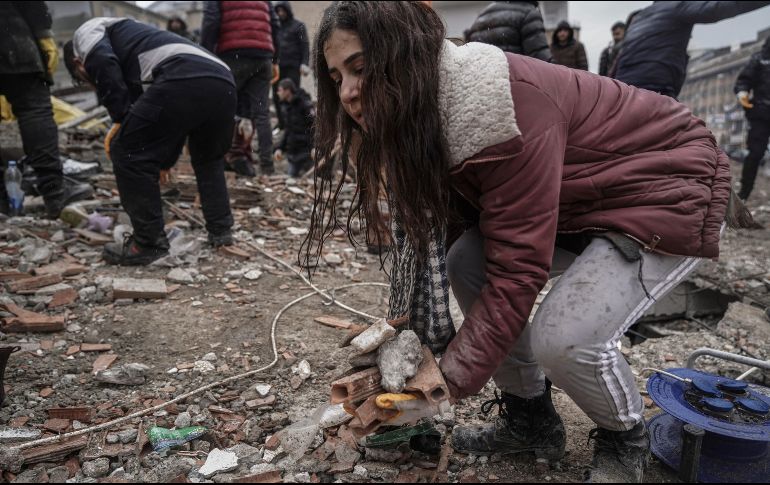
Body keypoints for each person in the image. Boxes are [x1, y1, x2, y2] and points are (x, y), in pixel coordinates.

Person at [305, 2, 752, 482]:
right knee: (465, 262)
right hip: (579, 199)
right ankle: (531, 419)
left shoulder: (498, 109)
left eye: (361, 68)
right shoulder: (425, 111)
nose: (349, 93)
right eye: (336, 78)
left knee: (564, 338)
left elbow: (518, 271)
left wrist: (445, 382)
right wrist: (427, 346)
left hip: (666, 189)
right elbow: (470, 227)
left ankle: (626, 438)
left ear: (405, 56)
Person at [64, 18, 237, 265]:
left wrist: (121, 122)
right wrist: (163, 160)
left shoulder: (86, 33)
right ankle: (221, 231)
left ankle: (147, 244)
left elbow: (103, 64)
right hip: (222, 78)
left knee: (125, 150)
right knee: (208, 159)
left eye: (86, 79)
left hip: (184, 73)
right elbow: (164, 121)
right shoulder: (133, 44)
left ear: (78, 64)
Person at [0, 1, 92, 218]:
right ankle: (55, 194)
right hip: (9, 34)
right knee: (33, 108)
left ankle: (1, 203)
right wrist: (43, 34)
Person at [614, 1, 769, 98]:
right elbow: (720, 6)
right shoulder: (677, 7)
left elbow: (620, 59)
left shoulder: (641, 16)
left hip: (621, 90)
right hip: (653, 90)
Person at [201, 1, 281, 177]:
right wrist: (275, 58)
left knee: (223, 107)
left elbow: (211, 20)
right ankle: (267, 167)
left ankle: (220, 160)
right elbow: (275, 24)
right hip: (262, 57)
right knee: (262, 113)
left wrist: (205, 53)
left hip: (233, 54)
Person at [735, 37, 770, 202]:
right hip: (761, 113)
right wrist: (742, 92)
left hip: (761, 112)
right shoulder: (760, 58)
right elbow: (744, 79)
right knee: (755, 153)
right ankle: (744, 192)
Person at [464, 1, 551, 62]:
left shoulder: (482, 15)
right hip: (514, 82)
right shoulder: (529, 12)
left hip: (484, 82)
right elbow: (541, 58)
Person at [273, 1, 311, 132]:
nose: (280, 13)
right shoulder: (276, 26)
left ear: (288, 10)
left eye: (282, 10)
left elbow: (305, 46)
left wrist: (305, 63)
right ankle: (282, 123)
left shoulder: (298, 26)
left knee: (292, 96)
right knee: (277, 95)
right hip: (277, 68)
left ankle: (293, 124)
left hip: (293, 68)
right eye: (278, 11)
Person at [274, 78, 314, 177]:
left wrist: (314, 147)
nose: (278, 93)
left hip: (306, 153)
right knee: (291, 180)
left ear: (287, 91)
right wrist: (280, 148)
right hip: (293, 152)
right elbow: (288, 129)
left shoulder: (304, 105)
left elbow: (314, 127)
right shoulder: (286, 106)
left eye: (280, 90)